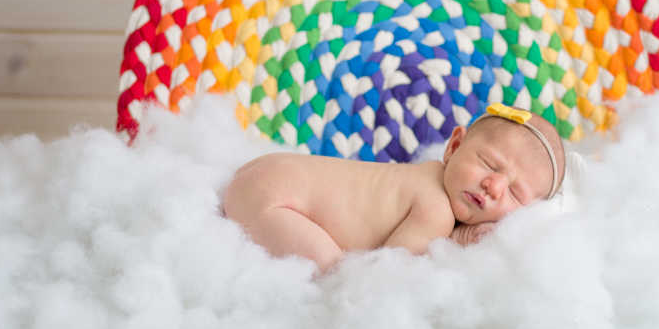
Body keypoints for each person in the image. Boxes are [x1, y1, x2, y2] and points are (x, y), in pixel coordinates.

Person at [222, 103, 566, 272]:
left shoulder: (426, 175)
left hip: (268, 171)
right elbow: (390, 272)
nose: (493, 186)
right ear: (454, 147)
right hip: (275, 201)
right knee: (336, 274)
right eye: (490, 164)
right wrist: (456, 241)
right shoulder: (435, 209)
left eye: (515, 193)